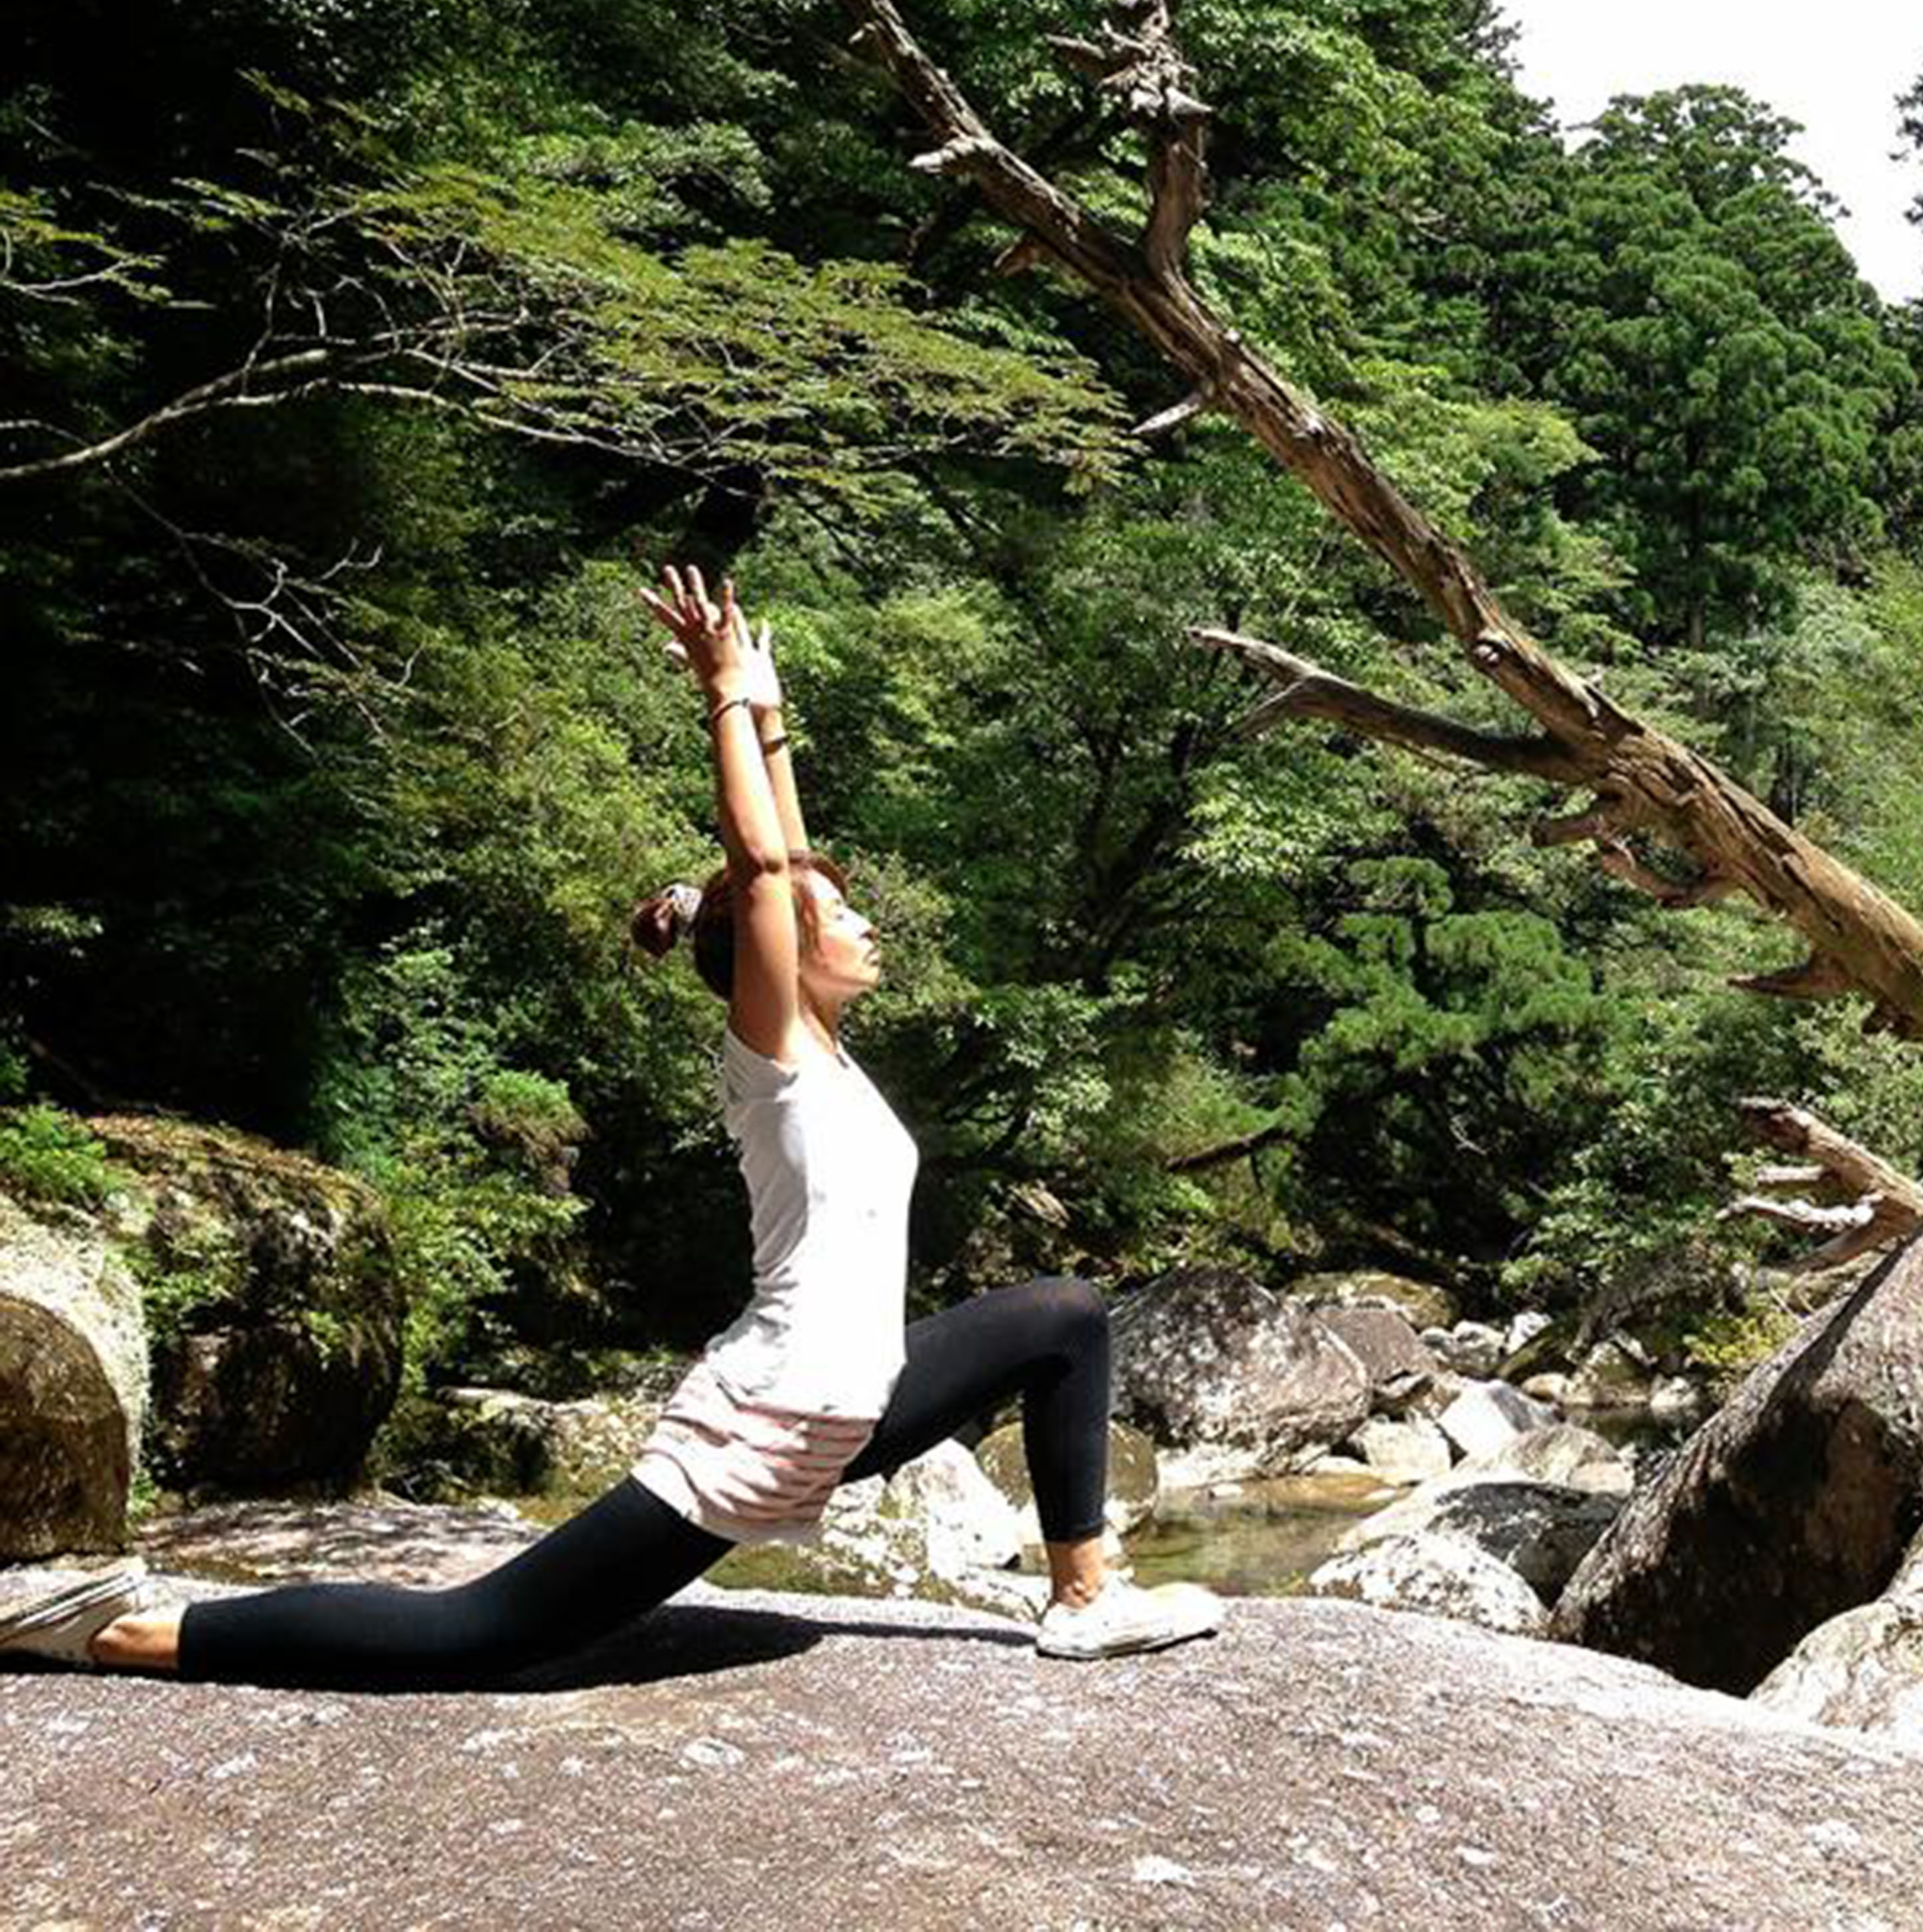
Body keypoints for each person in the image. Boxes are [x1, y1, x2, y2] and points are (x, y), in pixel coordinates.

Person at [1, 565, 1220, 1682]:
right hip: (782, 1418)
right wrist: (721, 702)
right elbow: (762, 871)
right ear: (779, 953)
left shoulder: (831, 1054)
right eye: (837, 920)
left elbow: (786, 858)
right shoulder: (778, 1057)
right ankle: (125, 1630)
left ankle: (1084, 1594)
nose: (864, 925)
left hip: (859, 1396)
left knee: (1062, 1314)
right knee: (477, 1637)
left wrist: (773, 708)